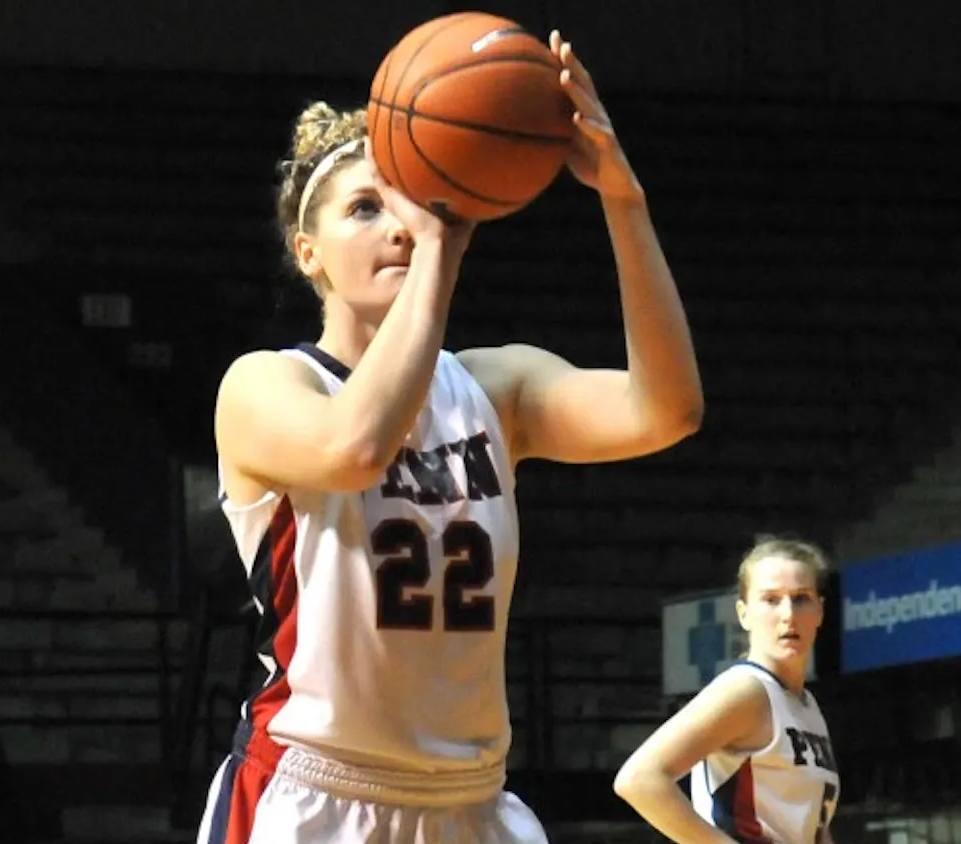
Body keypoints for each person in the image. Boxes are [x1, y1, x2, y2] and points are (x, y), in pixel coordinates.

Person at [196, 30, 703, 844]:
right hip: (315, 794)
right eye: (366, 209)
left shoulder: (496, 388)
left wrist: (623, 199)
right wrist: (439, 247)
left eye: (406, 202)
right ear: (308, 254)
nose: (398, 226)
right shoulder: (265, 384)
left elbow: (666, 410)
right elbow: (353, 449)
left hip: (472, 801)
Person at [614, 537, 840, 844]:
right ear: (743, 613)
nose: (788, 613)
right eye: (771, 599)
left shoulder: (806, 704)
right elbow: (639, 780)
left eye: (801, 598)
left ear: (820, 611)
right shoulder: (745, 690)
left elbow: (812, 828)